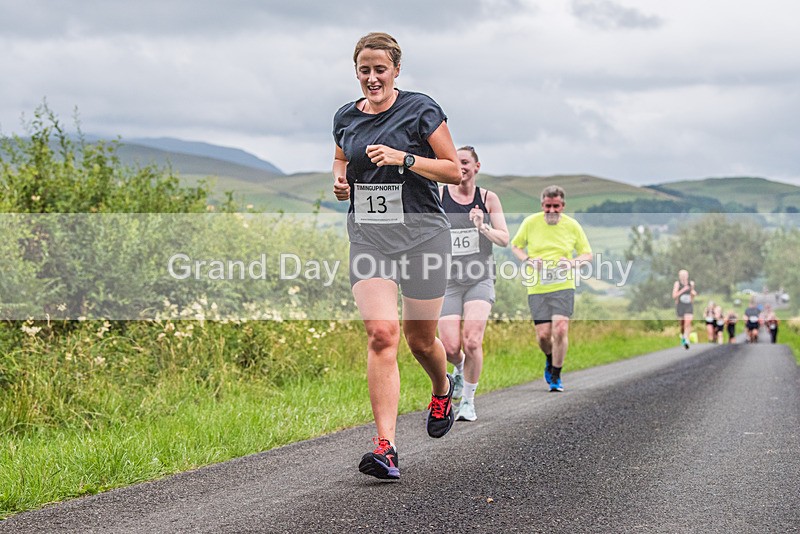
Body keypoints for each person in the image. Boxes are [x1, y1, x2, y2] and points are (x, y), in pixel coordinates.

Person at [332, 32, 461, 480]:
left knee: (420, 340)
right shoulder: (345, 116)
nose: (371, 78)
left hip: (424, 236)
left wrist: (404, 159)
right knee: (382, 334)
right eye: (364, 70)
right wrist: (341, 181)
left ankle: (443, 387)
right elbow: (339, 157)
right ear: (356, 71)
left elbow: (452, 169)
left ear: (396, 71)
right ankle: (386, 447)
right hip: (370, 238)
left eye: (379, 70)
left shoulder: (420, 109)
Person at [437, 145, 509, 422]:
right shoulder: (440, 195)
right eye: (456, 161)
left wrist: (482, 226)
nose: (461, 166)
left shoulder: (488, 199)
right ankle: (458, 368)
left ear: (477, 167)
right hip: (448, 280)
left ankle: (467, 401)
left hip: (479, 277)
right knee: (451, 346)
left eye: (465, 161)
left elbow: (504, 238)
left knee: (472, 340)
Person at [511, 185, 592, 392]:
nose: (552, 211)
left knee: (561, 328)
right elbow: (516, 246)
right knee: (544, 336)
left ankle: (556, 375)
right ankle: (550, 358)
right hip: (537, 287)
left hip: (563, 285)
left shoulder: (572, 226)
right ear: (542, 205)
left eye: (556, 206)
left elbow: (587, 254)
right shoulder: (530, 223)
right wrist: (528, 260)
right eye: (548, 206)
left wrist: (573, 263)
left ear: (563, 206)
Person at [671, 270, 696, 349]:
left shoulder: (691, 283)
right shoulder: (677, 284)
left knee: (688, 322)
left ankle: (686, 338)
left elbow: (692, 295)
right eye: (682, 275)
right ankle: (683, 336)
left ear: (687, 276)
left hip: (688, 305)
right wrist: (683, 290)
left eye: (685, 275)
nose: (684, 277)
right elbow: (674, 296)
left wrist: (693, 294)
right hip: (680, 305)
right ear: (679, 276)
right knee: (682, 324)